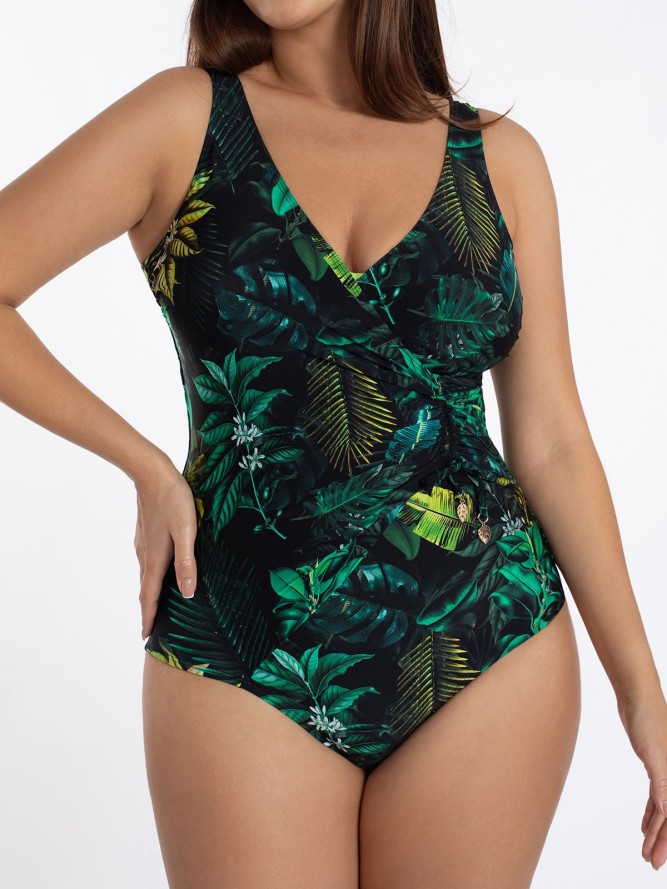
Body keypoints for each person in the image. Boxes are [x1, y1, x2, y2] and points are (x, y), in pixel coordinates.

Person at [2, 1, 666, 886]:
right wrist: (144, 466)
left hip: (488, 636)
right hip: (243, 648)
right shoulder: (183, 121)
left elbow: (552, 444)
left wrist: (641, 694)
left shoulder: (498, 161)